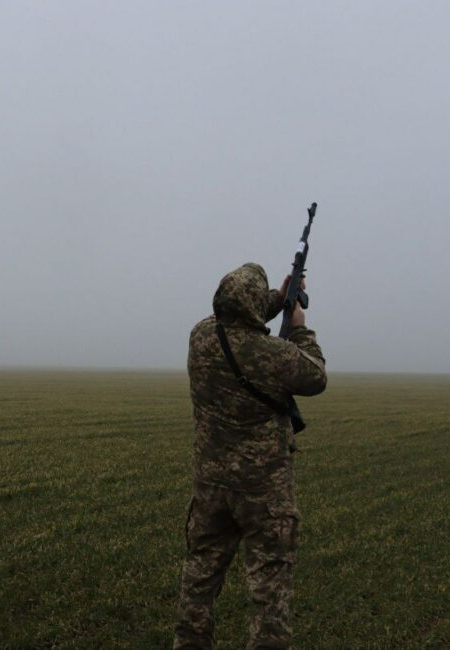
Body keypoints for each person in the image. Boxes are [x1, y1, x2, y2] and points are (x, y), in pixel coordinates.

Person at [173, 263, 327, 649]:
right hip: (263, 493)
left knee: (199, 578)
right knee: (270, 590)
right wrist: (299, 323)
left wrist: (279, 295)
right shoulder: (272, 354)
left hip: (211, 487)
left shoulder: (201, 336)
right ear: (253, 304)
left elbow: (240, 315)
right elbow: (316, 376)